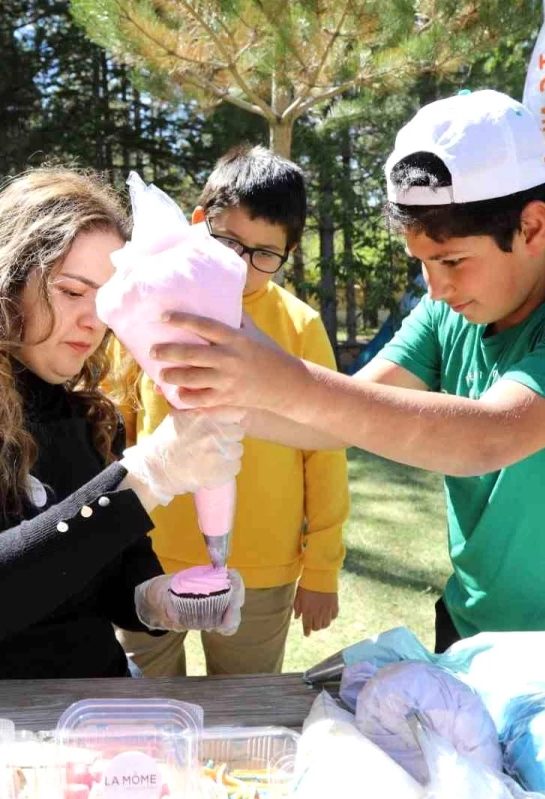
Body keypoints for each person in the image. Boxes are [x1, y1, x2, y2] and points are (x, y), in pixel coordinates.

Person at [150, 90, 545, 653]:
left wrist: (281, 377)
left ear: (533, 228)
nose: (436, 288)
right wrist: (221, 395)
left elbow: (485, 437)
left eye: (451, 261)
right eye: (422, 263)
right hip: (473, 624)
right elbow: (343, 416)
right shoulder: (447, 311)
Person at [0, 169, 248, 681]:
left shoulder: (85, 411)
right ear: (3, 281)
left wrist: (157, 600)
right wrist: (147, 476)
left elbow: (111, 566)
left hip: (85, 705)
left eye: (105, 299)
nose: (93, 321)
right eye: (71, 291)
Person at [112, 147, 349, 677]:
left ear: (288, 253)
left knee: (244, 713)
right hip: (147, 559)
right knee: (141, 708)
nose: (243, 266)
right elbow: (117, 429)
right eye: (230, 243)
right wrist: (108, 540)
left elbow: (328, 448)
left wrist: (322, 569)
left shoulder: (300, 327)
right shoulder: (146, 308)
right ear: (199, 222)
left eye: (266, 253)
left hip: (261, 566)